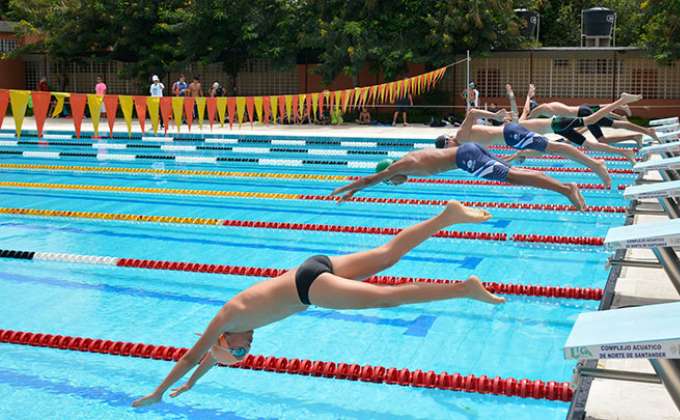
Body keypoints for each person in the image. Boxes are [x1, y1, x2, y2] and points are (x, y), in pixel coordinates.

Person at [131, 201, 504, 408]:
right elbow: (208, 361)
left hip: (309, 287)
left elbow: (192, 356)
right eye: (246, 353)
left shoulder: (228, 316)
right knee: (387, 256)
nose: (250, 347)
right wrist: (192, 387)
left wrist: (159, 391)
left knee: (389, 296)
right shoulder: (233, 332)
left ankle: (462, 288)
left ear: (224, 338)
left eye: (242, 349)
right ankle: (446, 216)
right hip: (312, 266)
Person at [331, 112, 587, 210]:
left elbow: (369, 179)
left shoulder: (399, 166)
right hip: (468, 153)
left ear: (388, 173)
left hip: (466, 157)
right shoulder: (408, 159)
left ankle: (566, 189)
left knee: (514, 176)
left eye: (390, 182)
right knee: (513, 173)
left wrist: (347, 190)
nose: (395, 185)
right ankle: (565, 188)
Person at [437, 89, 643, 188]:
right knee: (571, 137)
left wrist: (495, 116)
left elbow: (472, 112)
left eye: (446, 145)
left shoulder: (460, 137)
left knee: (560, 147)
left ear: (448, 139)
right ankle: (598, 161)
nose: (449, 148)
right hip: (514, 134)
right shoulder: (463, 148)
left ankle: (597, 164)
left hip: (512, 135)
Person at [505, 85, 637, 163]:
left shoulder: (519, 126)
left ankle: (621, 101)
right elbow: (513, 157)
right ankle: (624, 152)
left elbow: (526, 109)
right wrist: (528, 95)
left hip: (558, 123)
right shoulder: (522, 142)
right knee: (590, 145)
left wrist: (522, 95)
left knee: (591, 120)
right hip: (559, 130)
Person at [526, 93, 657, 147]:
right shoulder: (549, 106)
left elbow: (527, 117)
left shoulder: (540, 109)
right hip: (583, 110)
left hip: (583, 113)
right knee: (614, 124)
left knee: (602, 140)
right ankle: (642, 131)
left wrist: (527, 98)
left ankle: (639, 133)